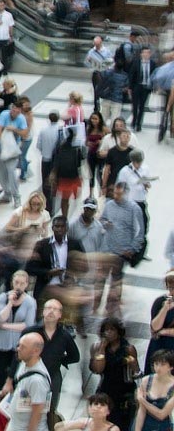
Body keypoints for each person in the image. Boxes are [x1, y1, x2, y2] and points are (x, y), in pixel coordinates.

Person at [8, 300, 80, 428]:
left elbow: (75, 356)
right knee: (24, 407)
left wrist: (61, 359)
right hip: (30, 374)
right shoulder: (31, 332)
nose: (51, 311)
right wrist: (9, 380)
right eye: (48, 308)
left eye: (55, 309)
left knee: (49, 410)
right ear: (43, 311)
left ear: (60, 315)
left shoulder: (64, 336)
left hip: (52, 376)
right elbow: (17, 356)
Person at [0, 270, 37, 408]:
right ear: (12, 282)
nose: (18, 286)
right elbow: (0, 317)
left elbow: (27, 325)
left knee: (15, 373)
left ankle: (10, 402)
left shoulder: (30, 302)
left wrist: (4, 326)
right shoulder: (3, 297)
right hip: (1, 341)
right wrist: (10, 304)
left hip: (18, 343)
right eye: (16, 282)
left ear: (26, 284)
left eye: (22, 283)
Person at [101, 182, 145, 316]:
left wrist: (132, 248)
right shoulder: (109, 205)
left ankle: (112, 306)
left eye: (119, 194)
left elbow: (140, 232)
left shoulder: (134, 209)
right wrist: (105, 223)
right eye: (114, 193)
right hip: (107, 249)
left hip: (121, 252)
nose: (115, 196)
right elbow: (101, 219)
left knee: (116, 279)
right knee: (101, 278)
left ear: (126, 193)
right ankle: (97, 303)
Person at [0, 332, 52, 431]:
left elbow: (37, 413)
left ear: (35, 351)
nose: (18, 349)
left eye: (23, 347)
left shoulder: (37, 381)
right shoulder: (23, 363)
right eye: (19, 345)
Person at [92, 317, 139, 431]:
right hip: (106, 389)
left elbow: (136, 371)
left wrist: (131, 362)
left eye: (111, 330)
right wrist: (102, 348)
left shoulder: (128, 348)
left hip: (124, 392)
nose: (108, 333)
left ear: (118, 332)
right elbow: (98, 369)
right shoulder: (97, 347)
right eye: (105, 330)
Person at [0, 98, 30, 207]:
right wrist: (4, 142)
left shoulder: (21, 119)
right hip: (1, 148)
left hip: (13, 150)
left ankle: (16, 196)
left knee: (11, 172)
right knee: (1, 173)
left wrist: (14, 129)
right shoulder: (4, 115)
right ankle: (6, 194)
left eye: (18, 112)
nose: (15, 113)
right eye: (14, 110)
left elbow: (24, 133)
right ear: (11, 108)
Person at [133, 350, 174, 431]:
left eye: (163, 365)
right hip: (146, 424)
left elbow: (162, 415)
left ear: (171, 367)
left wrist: (142, 400)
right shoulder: (146, 380)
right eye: (156, 364)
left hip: (164, 426)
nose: (158, 368)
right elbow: (142, 410)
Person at [117, 149, 153, 234]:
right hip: (129, 202)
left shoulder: (145, 168)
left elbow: (148, 184)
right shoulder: (125, 171)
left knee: (144, 222)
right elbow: (119, 186)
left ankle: (142, 240)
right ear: (132, 161)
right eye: (137, 162)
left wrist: (147, 184)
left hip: (141, 200)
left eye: (140, 162)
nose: (139, 164)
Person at [145, 272, 174, 374]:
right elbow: (155, 327)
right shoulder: (160, 301)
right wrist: (165, 308)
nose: (171, 292)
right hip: (159, 345)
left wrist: (165, 332)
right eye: (170, 288)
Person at [53, 127, 84, 220]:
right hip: (74, 177)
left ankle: (65, 217)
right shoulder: (77, 147)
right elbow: (80, 162)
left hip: (63, 177)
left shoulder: (60, 146)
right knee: (75, 198)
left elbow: (56, 161)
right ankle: (72, 217)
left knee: (65, 199)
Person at [53, 393, 120, 431]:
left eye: (102, 405)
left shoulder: (113, 429)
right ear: (89, 408)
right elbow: (57, 427)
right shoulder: (84, 422)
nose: (98, 407)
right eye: (95, 404)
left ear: (108, 411)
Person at [130, 47, 157, 133]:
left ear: (150, 54)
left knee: (142, 106)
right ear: (141, 54)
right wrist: (130, 87)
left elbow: (154, 76)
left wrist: (153, 87)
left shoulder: (152, 64)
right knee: (135, 106)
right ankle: (134, 121)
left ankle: (139, 124)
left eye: (148, 53)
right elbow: (131, 75)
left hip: (146, 88)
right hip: (137, 86)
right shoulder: (136, 62)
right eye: (144, 53)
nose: (146, 55)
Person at [101, 130, 134, 194]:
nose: (126, 138)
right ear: (119, 137)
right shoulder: (112, 151)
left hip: (127, 183)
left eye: (128, 136)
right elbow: (107, 168)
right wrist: (104, 185)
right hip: (113, 181)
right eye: (124, 136)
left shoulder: (132, 152)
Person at [87, 36, 114, 112]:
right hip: (95, 72)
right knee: (96, 89)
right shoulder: (92, 51)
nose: (96, 46)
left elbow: (111, 60)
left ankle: (106, 105)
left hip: (104, 72)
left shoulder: (106, 51)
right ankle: (96, 105)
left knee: (104, 89)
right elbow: (88, 60)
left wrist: (104, 64)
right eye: (95, 44)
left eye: (97, 44)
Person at [86, 112, 107, 196]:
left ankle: (101, 191)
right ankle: (91, 193)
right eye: (92, 118)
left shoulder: (104, 129)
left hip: (100, 154)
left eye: (96, 119)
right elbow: (86, 141)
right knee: (91, 174)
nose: (94, 121)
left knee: (100, 173)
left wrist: (101, 141)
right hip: (91, 154)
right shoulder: (89, 129)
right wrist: (88, 144)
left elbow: (109, 139)